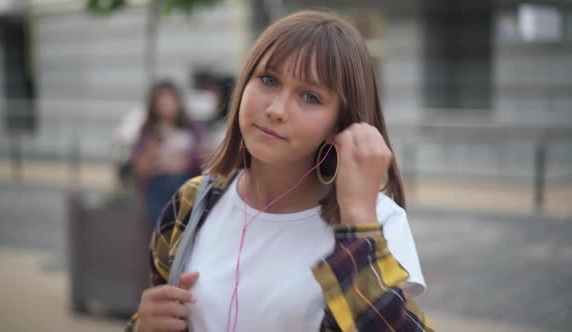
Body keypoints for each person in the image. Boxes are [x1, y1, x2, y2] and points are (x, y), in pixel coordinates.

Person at [127, 11, 434, 332]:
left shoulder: (380, 222)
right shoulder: (192, 203)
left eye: (310, 97)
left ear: (340, 124)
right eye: (269, 80)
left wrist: (358, 220)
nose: (276, 110)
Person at [131, 80, 199, 228]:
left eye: (170, 99)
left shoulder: (192, 128)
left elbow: (204, 158)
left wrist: (184, 163)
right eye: (161, 100)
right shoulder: (148, 132)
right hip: (157, 190)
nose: (166, 104)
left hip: (187, 187)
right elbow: (140, 167)